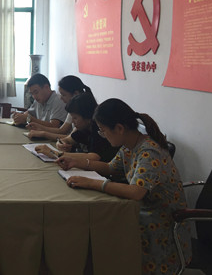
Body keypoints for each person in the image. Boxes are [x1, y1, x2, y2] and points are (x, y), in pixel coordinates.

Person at [57, 98, 192, 274]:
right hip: (140, 210)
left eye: (103, 131)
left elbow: (136, 192)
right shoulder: (130, 145)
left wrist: (92, 183)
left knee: (102, 226)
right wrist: (77, 162)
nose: (102, 135)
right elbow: (110, 168)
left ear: (119, 128)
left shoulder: (149, 152)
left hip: (159, 222)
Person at [35, 92, 118, 162]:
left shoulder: (99, 129)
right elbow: (67, 139)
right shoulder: (84, 128)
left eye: (75, 118)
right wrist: (61, 144)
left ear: (87, 117)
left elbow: (94, 157)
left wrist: (56, 153)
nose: (72, 121)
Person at [27, 75, 92, 140]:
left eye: (63, 95)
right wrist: (40, 128)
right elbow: (62, 130)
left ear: (75, 94)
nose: (61, 98)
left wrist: (43, 133)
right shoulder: (73, 108)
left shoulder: (84, 109)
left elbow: (72, 138)